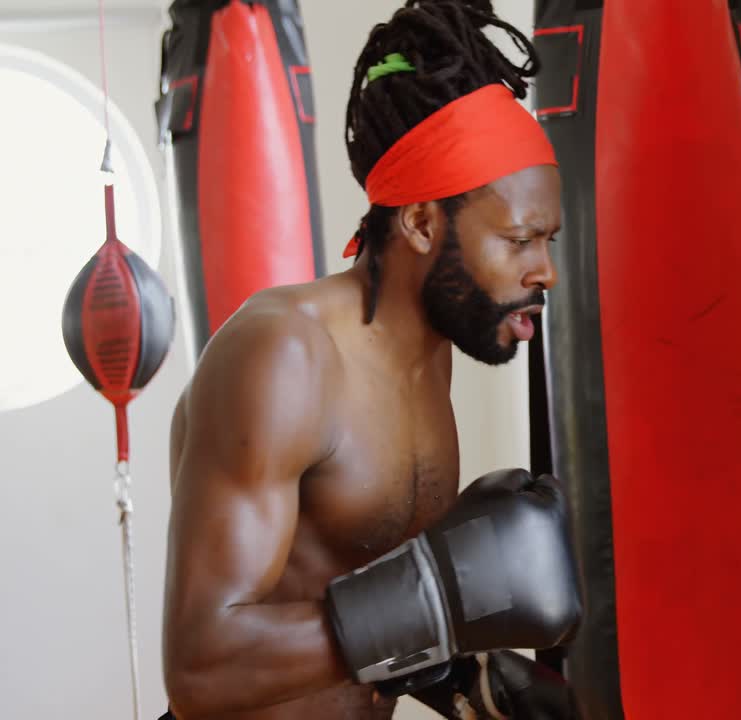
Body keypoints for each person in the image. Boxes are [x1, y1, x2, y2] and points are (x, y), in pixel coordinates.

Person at [160, 2, 583, 718]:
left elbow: (355, 599)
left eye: (550, 241)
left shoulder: (431, 357)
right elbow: (201, 667)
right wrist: (444, 599)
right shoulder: (285, 355)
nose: (546, 271)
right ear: (421, 223)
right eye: (519, 240)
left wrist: (462, 684)